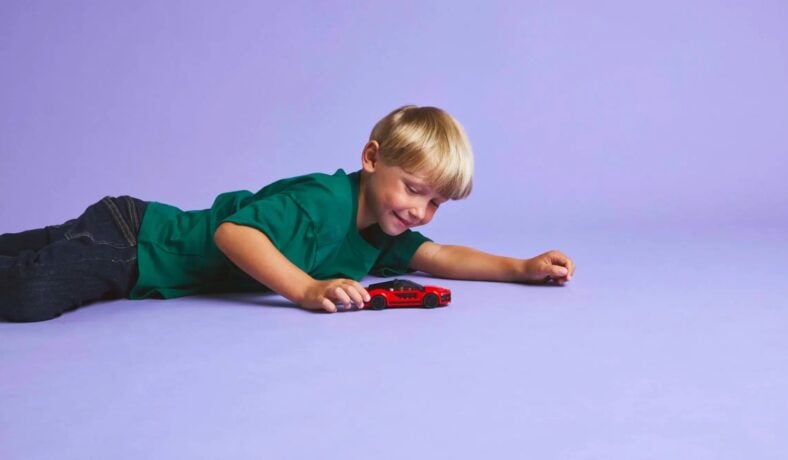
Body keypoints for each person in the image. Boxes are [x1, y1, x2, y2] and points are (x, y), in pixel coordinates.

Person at [0, 105, 575, 322]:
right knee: (30, 291)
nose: (422, 212)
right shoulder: (321, 203)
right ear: (372, 158)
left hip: (131, 240)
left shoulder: (382, 227)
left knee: (23, 249)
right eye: (415, 190)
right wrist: (304, 289)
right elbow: (233, 232)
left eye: (436, 203)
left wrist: (520, 267)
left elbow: (442, 258)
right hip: (135, 243)